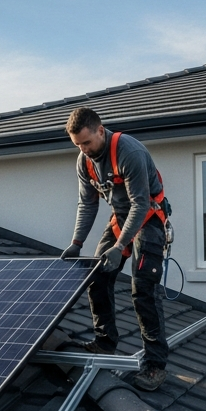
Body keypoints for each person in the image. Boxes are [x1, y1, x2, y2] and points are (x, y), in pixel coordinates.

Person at [61, 107, 169, 391]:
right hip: (121, 220)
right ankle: (104, 341)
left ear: (100, 130)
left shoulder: (127, 151)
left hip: (148, 219)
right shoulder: (84, 162)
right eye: (78, 145)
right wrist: (76, 243)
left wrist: (120, 246)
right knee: (96, 276)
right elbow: (88, 204)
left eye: (87, 142)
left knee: (143, 289)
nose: (84, 149)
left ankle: (155, 365)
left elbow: (140, 204)